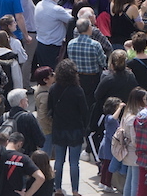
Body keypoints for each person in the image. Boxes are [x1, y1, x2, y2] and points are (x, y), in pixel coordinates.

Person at [49, 60, 92, 196]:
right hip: (75, 129)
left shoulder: (53, 89)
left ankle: (58, 189)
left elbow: (49, 108)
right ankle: (75, 190)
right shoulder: (77, 90)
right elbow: (84, 111)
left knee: (59, 161)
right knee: (74, 163)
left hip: (59, 128)